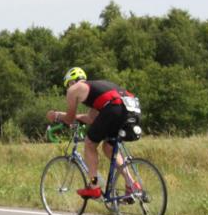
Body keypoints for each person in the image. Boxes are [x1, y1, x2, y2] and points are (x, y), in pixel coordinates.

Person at [46, 67, 140, 198]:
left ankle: (94, 185)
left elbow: (69, 119)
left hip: (114, 108)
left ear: (71, 82)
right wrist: (76, 118)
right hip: (131, 108)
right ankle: (131, 184)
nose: (68, 88)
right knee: (108, 147)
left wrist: (56, 116)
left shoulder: (73, 90)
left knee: (90, 144)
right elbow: (91, 118)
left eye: (67, 85)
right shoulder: (96, 88)